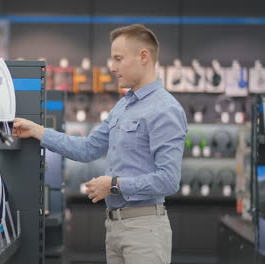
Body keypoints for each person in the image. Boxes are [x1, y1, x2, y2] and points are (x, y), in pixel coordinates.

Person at [13, 24, 188, 264]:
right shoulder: (123, 106)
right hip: (114, 227)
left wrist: (114, 185)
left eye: (118, 59)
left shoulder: (165, 109)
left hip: (144, 231)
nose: (112, 68)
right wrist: (38, 131)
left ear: (144, 57)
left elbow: (169, 179)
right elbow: (87, 148)